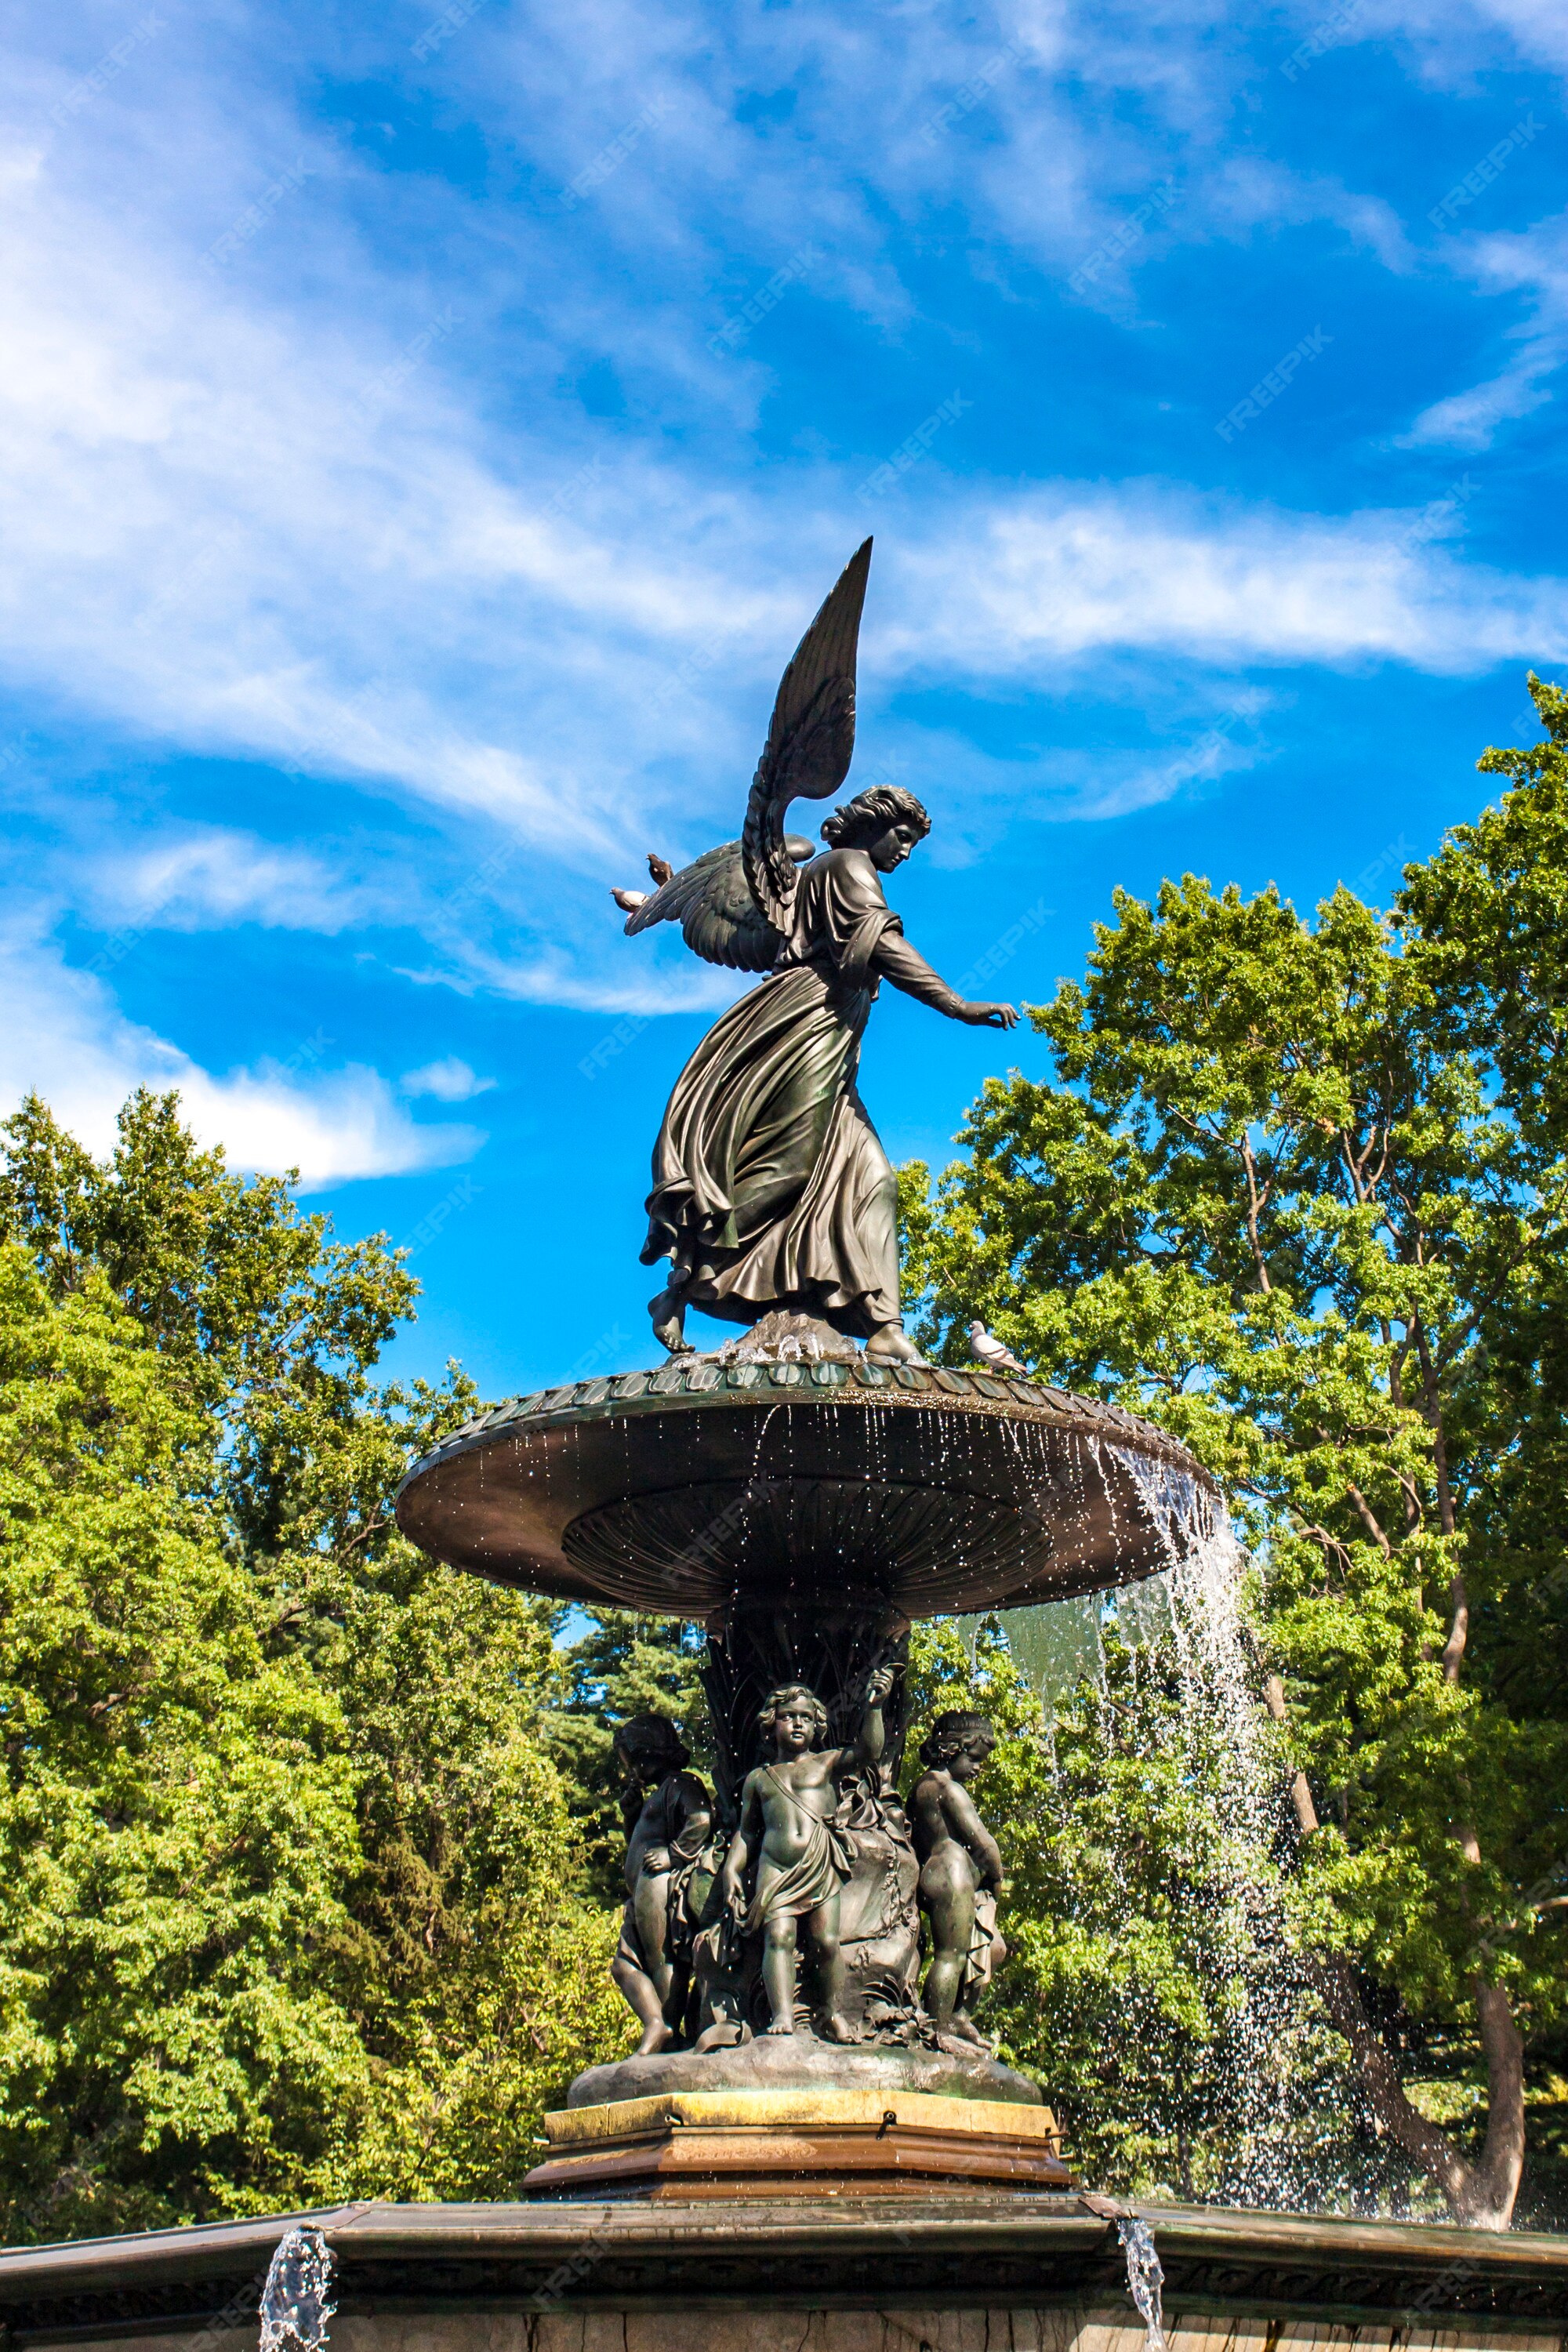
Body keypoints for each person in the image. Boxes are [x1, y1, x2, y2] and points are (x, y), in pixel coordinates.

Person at [641, 786, 1017, 1362]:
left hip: (834, 1046)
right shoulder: (847, 865)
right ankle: (685, 1280)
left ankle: (883, 1323)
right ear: (876, 826)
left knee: (872, 1179)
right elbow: (884, 945)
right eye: (905, 838)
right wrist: (957, 1005)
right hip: (805, 1026)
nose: (908, 853)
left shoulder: (818, 873)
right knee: (792, 1166)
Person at [717, 1666, 897, 2041]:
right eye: (787, 1718)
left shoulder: (827, 1763)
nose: (797, 1725)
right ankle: (782, 2013)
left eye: (805, 1718)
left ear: (817, 1725)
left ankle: (831, 2011)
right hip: (776, 1868)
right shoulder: (759, 1778)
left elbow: (868, 1751)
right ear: (772, 1724)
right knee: (778, 1937)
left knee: (827, 1943)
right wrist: (732, 1869)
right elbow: (748, 1833)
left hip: (819, 1861)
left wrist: (875, 1708)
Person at [611, 1714, 713, 2056]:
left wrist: (675, 1854)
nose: (633, 1773)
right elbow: (640, 1842)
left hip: (659, 1886)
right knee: (623, 1965)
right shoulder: (656, 1795)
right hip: (641, 1891)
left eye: (636, 1762)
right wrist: (632, 1816)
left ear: (653, 1752)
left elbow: (700, 1819)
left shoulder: (680, 1784)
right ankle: (658, 2023)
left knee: (664, 1961)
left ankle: (667, 2028)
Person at [909, 1711, 1007, 2046]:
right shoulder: (945, 1787)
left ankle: (958, 2017)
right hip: (951, 1874)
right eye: (974, 1758)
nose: (979, 1767)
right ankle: (937, 2029)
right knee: (951, 1954)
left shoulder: (926, 1786)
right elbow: (983, 1840)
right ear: (952, 1749)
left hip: (953, 1875)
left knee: (993, 1948)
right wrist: (997, 1876)